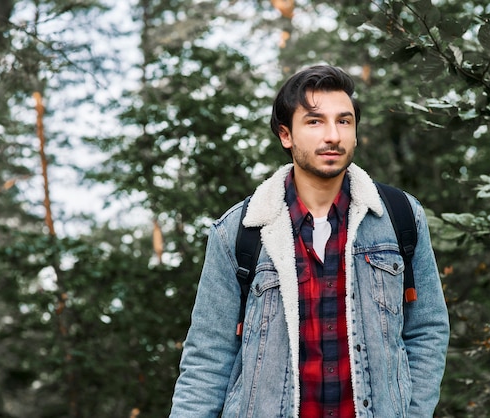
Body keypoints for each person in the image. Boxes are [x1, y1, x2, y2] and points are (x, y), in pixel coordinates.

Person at [169, 65, 449, 417]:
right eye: (315, 122)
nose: (332, 135)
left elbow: (427, 330)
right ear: (286, 135)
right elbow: (207, 358)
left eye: (344, 121)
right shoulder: (238, 232)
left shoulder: (400, 216)